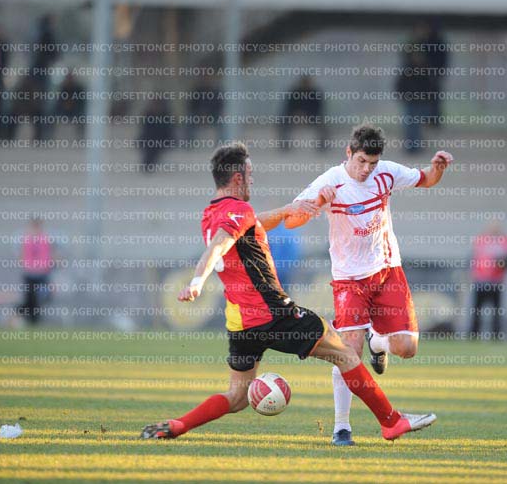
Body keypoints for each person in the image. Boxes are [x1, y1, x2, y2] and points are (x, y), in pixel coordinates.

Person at [140, 143, 436, 441]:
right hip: (272, 312)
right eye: (249, 173)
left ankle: (178, 425)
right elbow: (220, 244)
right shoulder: (238, 211)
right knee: (346, 353)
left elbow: (251, 225)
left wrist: (285, 211)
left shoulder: (212, 213)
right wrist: (197, 281)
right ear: (237, 178)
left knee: (238, 397)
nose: (252, 179)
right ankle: (391, 421)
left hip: (241, 323)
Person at [286, 125, 452, 446]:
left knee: (407, 349)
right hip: (349, 280)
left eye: (371, 163)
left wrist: (438, 169)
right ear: (348, 153)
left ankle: (379, 343)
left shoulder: (386, 173)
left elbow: (427, 179)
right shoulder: (330, 181)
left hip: (387, 271)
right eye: (361, 161)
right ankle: (341, 428)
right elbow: (292, 221)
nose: (366, 169)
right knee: (348, 353)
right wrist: (318, 202)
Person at [468, 221, 507, 340]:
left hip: (496, 281)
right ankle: (474, 334)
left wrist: (502, 263)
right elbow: (474, 258)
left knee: (496, 310)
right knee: (477, 309)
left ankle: (496, 334)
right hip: (481, 280)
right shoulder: (481, 240)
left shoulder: (505, 242)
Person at [17, 218, 55, 325]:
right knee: (30, 299)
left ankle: (21, 316)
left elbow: (50, 254)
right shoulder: (27, 240)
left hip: (43, 274)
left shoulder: (45, 239)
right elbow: (22, 256)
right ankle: (30, 320)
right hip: (30, 274)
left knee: (44, 297)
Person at [278, 75, 325, 151]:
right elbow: (288, 108)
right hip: (295, 117)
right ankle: (284, 145)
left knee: (322, 126)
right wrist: (296, 115)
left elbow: (318, 109)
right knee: (284, 123)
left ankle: (323, 146)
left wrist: (308, 116)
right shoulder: (295, 93)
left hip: (311, 117)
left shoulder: (315, 94)